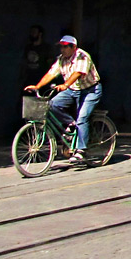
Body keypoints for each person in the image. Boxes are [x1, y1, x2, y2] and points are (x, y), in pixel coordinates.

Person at [25, 35, 103, 163]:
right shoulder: (61, 59)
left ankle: (81, 150)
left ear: (74, 47)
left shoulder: (82, 56)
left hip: (90, 90)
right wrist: (37, 86)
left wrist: (65, 85)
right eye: (61, 46)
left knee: (82, 118)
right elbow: (51, 73)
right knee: (51, 105)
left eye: (65, 46)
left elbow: (78, 73)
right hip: (73, 89)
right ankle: (71, 124)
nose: (62, 49)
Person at [19, 25, 51, 91]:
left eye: (34, 32)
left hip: (41, 78)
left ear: (40, 34)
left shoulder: (46, 48)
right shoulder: (28, 47)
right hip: (29, 78)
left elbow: (50, 62)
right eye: (31, 32)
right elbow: (24, 62)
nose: (32, 34)